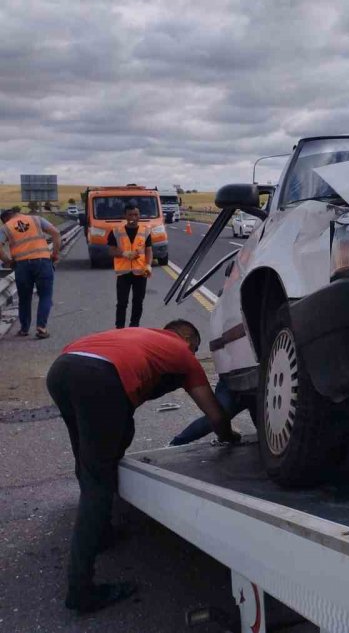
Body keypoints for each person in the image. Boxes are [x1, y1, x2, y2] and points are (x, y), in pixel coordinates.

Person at [46, 320, 240, 614]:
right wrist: (228, 436)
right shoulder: (182, 352)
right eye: (195, 348)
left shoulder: (144, 337)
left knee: (92, 459)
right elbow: (214, 414)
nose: (194, 354)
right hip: (99, 378)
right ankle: (81, 590)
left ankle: (100, 532)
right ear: (187, 340)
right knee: (98, 480)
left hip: (63, 368)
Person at [0, 207, 61, 338]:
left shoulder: (6, 227)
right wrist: (54, 254)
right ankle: (41, 327)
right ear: (17, 213)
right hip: (42, 262)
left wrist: (7, 261)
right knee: (45, 295)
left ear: (5, 218)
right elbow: (55, 233)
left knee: (24, 298)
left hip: (21, 265)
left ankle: (24, 329)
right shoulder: (36, 219)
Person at [106, 203, 152, 329]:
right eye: (130, 214)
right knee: (122, 303)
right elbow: (111, 251)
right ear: (125, 215)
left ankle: (134, 327)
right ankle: (119, 328)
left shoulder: (145, 231)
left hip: (140, 272)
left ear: (139, 216)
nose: (133, 217)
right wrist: (124, 253)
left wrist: (148, 265)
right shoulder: (116, 231)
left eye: (136, 214)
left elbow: (148, 250)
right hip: (123, 273)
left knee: (138, 302)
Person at [170, 375, 250, 445]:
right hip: (236, 379)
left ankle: (176, 442)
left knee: (217, 416)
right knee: (216, 416)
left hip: (240, 378)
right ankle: (176, 442)